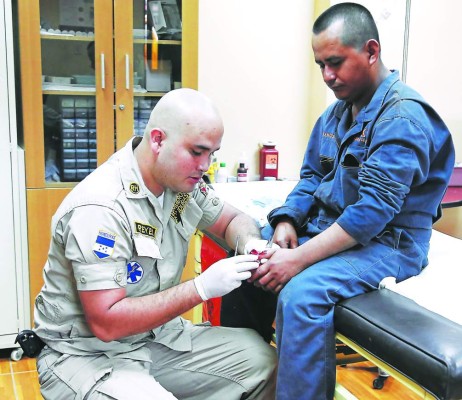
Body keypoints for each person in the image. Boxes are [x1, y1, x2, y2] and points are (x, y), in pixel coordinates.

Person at [249, 3, 455, 399]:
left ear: (372, 52)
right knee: (251, 258)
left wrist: (298, 260)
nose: (328, 76)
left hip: (390, 243)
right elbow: (311, 177)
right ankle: (251, 379)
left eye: (336, 62)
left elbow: (373, 212)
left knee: (301, 294)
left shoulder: (403, 118)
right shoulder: (335, 116)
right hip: (332, 229)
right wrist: (287, 222)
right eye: (320, 65)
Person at [33, 88, 277, 399]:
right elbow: (107, 323)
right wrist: (201, 288)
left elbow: (231, 221)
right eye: (197, 152)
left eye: (212, 153)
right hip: (87, 355)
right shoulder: (101, 209)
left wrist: (251, 243)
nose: (206, 165)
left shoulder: (181, 187)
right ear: (158, 140)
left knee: (261, 362)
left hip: (155, 339)